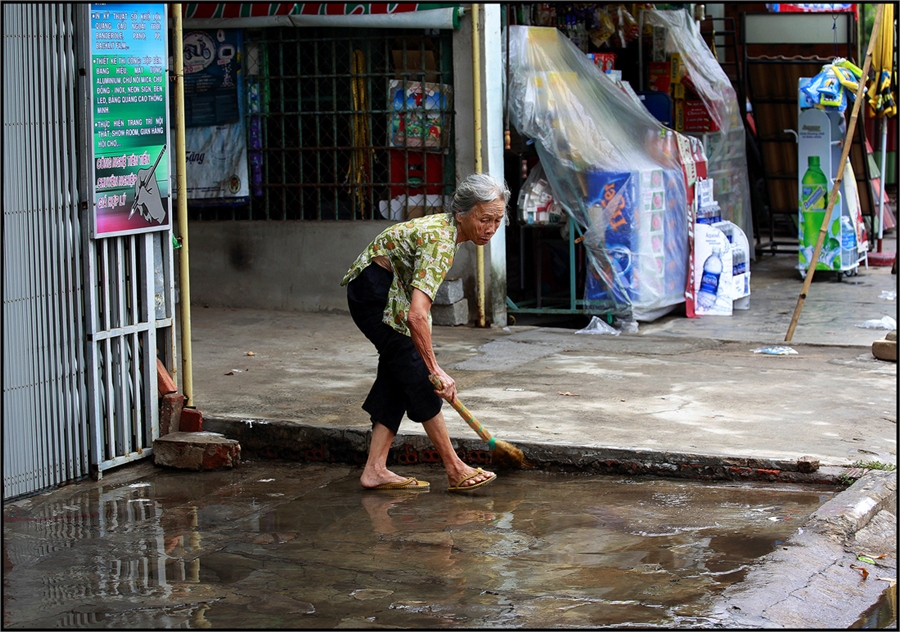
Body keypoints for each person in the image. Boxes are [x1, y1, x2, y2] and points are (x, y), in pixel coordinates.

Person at [341, 173, 510, 493]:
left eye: (497, 220)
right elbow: (417, 316)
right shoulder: (441, 242)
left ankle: (375, 469)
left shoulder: (449, 232)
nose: (490, 228)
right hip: (373, 294)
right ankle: (454, 467)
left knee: (398, 375)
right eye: (484, 219)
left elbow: (418, 312)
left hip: (387, 291)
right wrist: (435, 370)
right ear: (461, 214)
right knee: (418, 375)